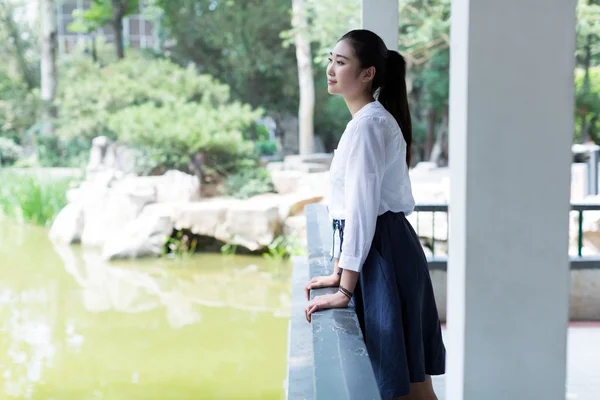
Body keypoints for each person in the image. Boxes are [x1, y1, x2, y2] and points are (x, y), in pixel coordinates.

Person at [303, 29, 446, 400]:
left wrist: (344, 290)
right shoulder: (366, 122)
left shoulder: (369, 125)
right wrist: (338, 270)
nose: (331, 69)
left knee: (404, 387)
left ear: (368, 74)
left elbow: (362, 212)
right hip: (381, 252)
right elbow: (352, 211)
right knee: (411, 386)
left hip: (383, 254)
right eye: (330, 60)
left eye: (342, 62)